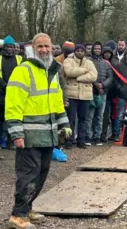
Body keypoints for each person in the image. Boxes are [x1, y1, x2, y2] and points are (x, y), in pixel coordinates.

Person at [6, 33, 72, 229]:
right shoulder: (23, 70)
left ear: (52, 48)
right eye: (40, 46)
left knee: (42, 173)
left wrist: (64, 124)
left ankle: (28, 208)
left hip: (48, 134)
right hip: (29, 134)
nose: (44, 49)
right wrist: (16, 133)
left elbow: (57, 102)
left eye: (47, 46)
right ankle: (18, 215)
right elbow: (13, 103)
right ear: (32, 48)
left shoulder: (51, 71)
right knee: (28, 174)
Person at [62, 44, 98, 148]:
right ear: (75, 51)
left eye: (82, 51)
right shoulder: (68, 60)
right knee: (71, 119)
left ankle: (81, 141)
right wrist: (84, 70)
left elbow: (94, 76)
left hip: (85, 95)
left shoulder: (89, 62)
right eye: (78, 50)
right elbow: (69, 72)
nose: (80, 52)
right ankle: (69, 141)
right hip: (72, 94)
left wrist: (78, 78)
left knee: (84, 119)